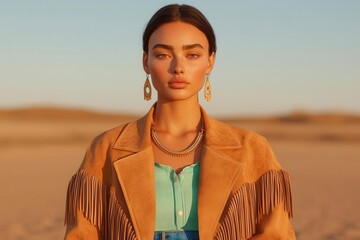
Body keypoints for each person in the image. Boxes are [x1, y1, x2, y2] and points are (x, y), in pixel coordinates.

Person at [64, 4, 295, 240]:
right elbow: (82, 235)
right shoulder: (106, 148)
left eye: (192, 55)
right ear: (146, 61)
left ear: (210, 62)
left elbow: (276, 235)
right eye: (163, 54)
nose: (178, 68)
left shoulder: (252, 148)